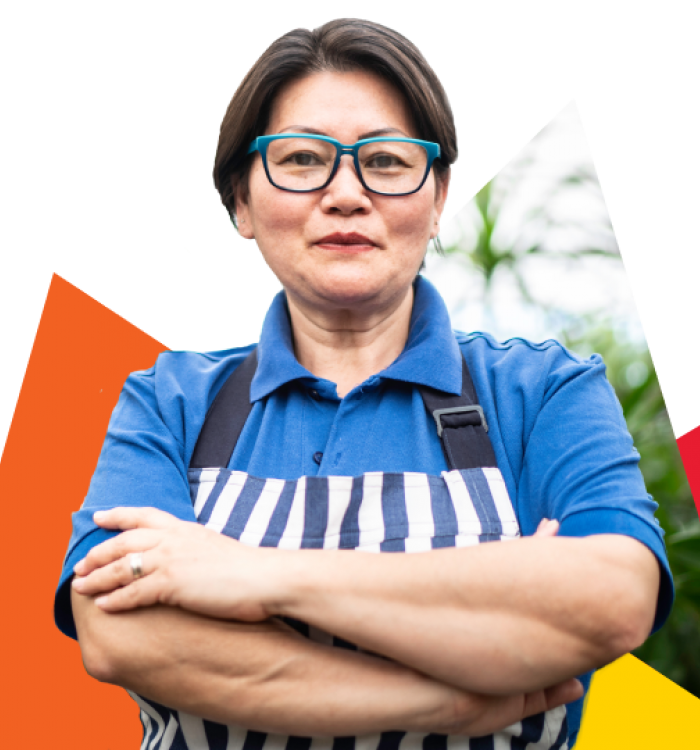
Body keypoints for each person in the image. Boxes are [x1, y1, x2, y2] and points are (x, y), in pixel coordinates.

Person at [55, 17, 673, 750]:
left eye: (385, 162)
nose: (346, 194)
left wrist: (254, 576)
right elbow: (121, 636)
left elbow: (610, 601)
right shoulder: (170, 401)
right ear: (240, 204)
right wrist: (444, 699)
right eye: (302, 159)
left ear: (440, 193)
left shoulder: (542, 391)